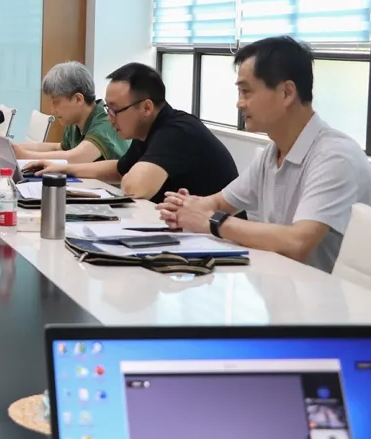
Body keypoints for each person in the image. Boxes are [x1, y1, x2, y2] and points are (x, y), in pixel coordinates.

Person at [158, 37, 371, 273]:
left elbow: (297, 243)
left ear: (287, 93)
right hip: (283, 283)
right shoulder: (272, 153)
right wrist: (184, 207)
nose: (239, 104)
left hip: (328, 294)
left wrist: (213, 222)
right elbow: (219, 203)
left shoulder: (335, 157)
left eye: (246, 91)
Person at [29, 62, 238, 202]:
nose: (109, 117)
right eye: (108, 109)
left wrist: (128, 176)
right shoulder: (147, 129)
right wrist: (63, 169)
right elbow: (119, 168)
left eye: (115, 110)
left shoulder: (177, 131)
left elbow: (134, 188)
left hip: (214, 238)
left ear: (146, 108)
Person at [0, 61, 129, 163]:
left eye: (56, 102)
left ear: (78, 99)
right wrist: (13, 148)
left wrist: (25, 155)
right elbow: (58, 148)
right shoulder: (75, 121)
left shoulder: (107, 120)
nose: (52, 109)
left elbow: (76, 157)